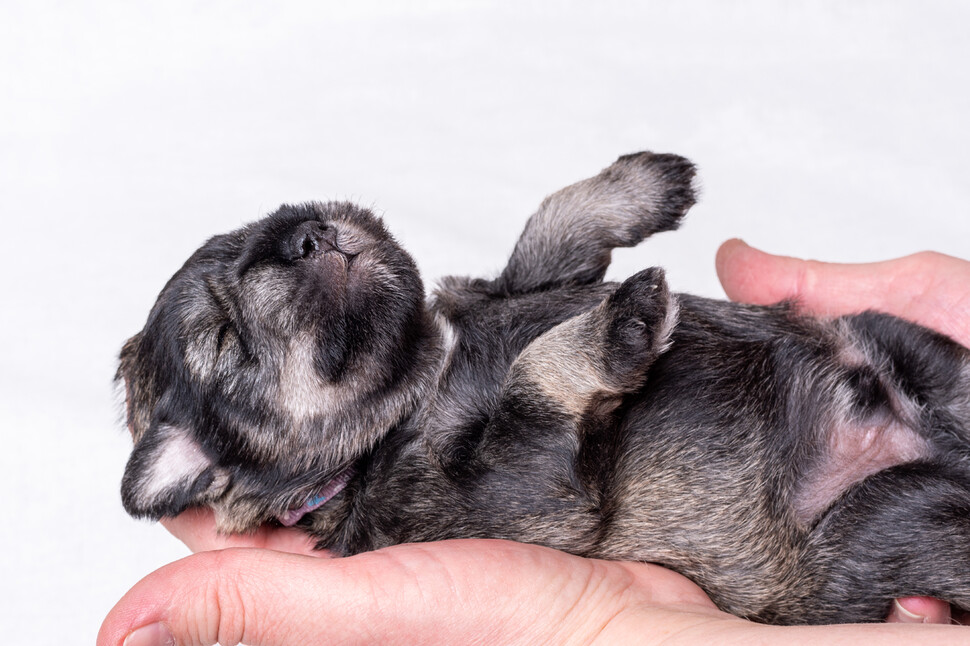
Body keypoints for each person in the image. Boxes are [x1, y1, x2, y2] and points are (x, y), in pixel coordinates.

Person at [99, 241, 970, 646]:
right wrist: (572, 368)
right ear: (209, 466)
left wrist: (572, 224)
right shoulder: (392, 518)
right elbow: (523, 477)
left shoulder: (427, 349)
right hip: (828, 517)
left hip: (851, 357)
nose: (302, 244)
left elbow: (531, 292)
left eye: (253, 245)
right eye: (234, 341)